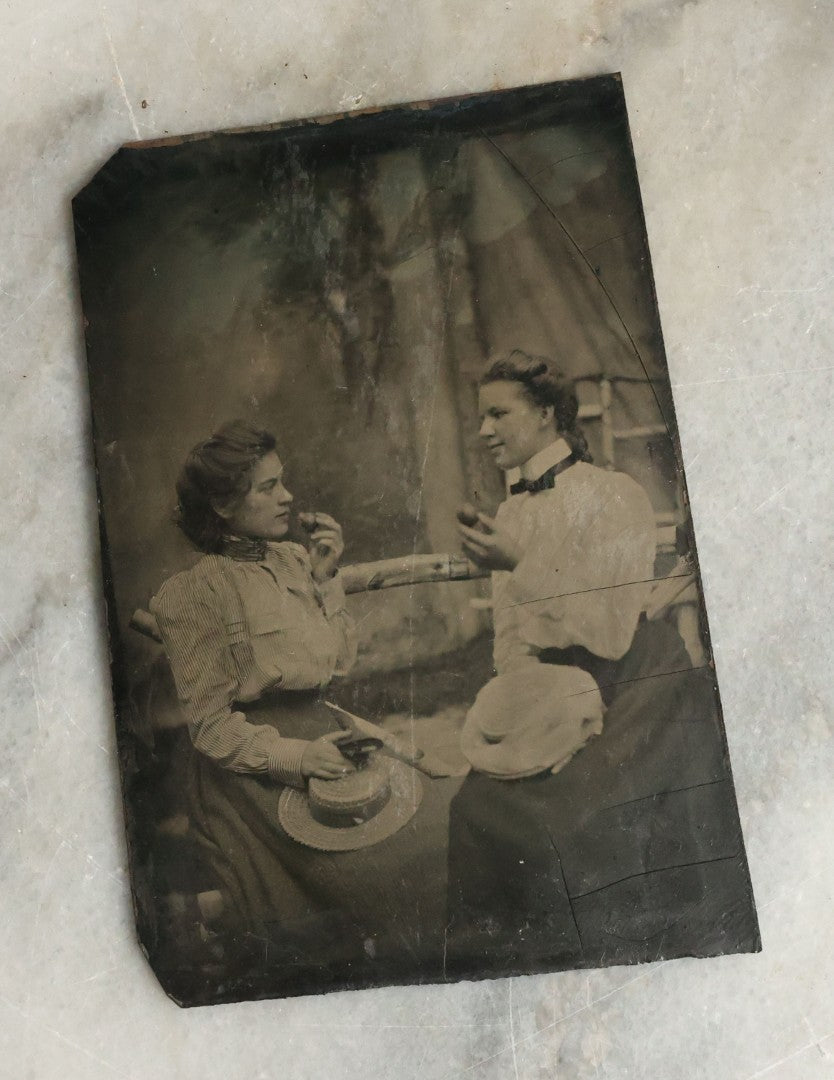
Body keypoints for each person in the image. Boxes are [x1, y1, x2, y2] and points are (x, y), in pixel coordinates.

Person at [445, 351, 758, 977]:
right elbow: (512, 637)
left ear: (545, 413)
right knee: (474, 810)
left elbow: (612, 631)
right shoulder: (511, 512)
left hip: (636, 687)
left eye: (498, 414)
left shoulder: (614, 496)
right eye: (481, 417)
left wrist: (520, 563)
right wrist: (518, 707)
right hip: (557, 689)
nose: (484, 431)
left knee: (569, 831)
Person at [150, 420, 447, 995]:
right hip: (255, 764)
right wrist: (299, 758)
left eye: (281, 482)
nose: (287, 496)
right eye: (268, 488)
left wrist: (325, 578)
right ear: (222, 505)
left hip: (325, 729)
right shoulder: (192, 595)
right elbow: (209, 727)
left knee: (430, 827)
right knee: (372, 876)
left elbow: (335, 667)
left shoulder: (292, 562)